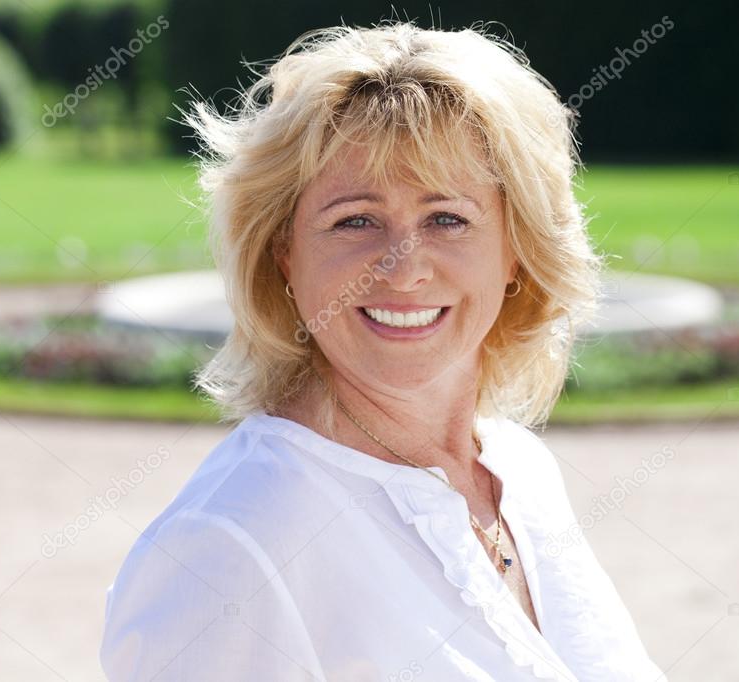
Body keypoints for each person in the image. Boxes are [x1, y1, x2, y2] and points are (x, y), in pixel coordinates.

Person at [101, 21, 667, 681]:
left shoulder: (522, 472)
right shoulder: (229, 545)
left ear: (517, 249)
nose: (402, 271)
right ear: (282, 253)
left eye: (446, 218)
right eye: (354, 220)